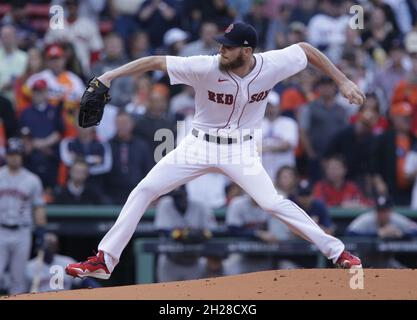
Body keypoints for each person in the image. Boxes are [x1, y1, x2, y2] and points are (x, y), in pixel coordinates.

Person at [66, 22, 364, 280]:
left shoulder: (271, 64)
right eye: (222, 44)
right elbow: (156, 61)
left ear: (247, 51)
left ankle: (337, 253)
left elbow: (306, 49)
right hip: (198, 144)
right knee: (145, 189)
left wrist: (343, 80)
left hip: (241, 151)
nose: (222, 50)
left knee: (272, 203)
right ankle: (105, 259)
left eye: (229, 47)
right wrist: (108, 77)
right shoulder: (204, 66)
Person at [0, 138, 47, 294]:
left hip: (22, 232)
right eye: (12, 154)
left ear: (22, 156)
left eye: (18, 154)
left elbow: (38, 207)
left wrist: (41, 230)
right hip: (1, 230)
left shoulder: (32, 179)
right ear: (6, 155)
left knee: (18, 279)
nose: (15, 157)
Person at [154, 186, 217, 282]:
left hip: (194, 262)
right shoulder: (165, 203)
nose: (179, 200)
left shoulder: (200, 205)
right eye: (175, 197)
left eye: (181, 196)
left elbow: (211, 231)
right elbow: (162, 229)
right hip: (171, 262)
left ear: (187, 194)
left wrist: (200, 235)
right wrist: (182, 234)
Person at [346, 195, 417, 268]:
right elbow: (350, 233)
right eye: (379, 211)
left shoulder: (396, 219)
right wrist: (377, 234)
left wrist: (402, 234)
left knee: (403, 272)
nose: (382, 214)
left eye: (385, 211)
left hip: (387, 261)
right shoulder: (367, 219)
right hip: (365, 260)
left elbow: (415, 231)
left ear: (390, 211)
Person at [19, 79, 64, 190]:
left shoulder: (54, 110)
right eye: (35, 91)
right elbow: (23, 135)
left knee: (51, 191)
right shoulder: (26, 112)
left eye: (41, 91)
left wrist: (43, 143)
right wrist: (35, 144)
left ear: (46, 93)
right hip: (31, 159)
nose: (38, 94)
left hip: (50, 157)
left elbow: (60, 132)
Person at [105, 112, 153, 204]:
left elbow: (148, 170)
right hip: (113, 194)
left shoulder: (142, 146)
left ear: (132, 125)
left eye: (125, 123)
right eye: (119, 124)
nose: (122, 127)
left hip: (137, 192)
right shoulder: (108, 145)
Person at [261, 91, 298, 180]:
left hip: (284, 171)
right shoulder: (257, 124)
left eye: (273, 106)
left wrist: (264, 148)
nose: (270, 109)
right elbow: (250, 146)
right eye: (267, 106)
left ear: (279, 106)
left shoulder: (289, 123)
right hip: (263, 170)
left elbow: (287, 145)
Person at [0, 24, 28, 103]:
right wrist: (2, 87)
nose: (6, 39)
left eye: (9, 36)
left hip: (19, 100)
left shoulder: (25, 57)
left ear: (15, 37)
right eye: (4, 36)